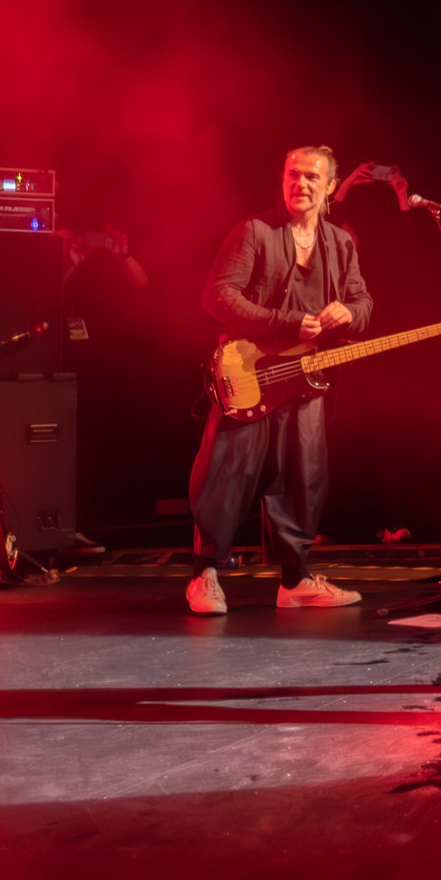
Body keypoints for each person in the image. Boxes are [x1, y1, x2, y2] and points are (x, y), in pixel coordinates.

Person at [185, 146, 373, 615]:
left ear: (330, 186)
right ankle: (205, 574)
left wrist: (348, 313)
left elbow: (364, 304)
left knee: (305, 476)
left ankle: (295, 580)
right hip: (250, 372)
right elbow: (218, 296)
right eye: (293, 174)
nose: (300, 184)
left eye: (312, 177)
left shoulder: (340, 243)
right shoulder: (254, 231)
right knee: (228, 471)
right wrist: (286, 322)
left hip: (305, 379)